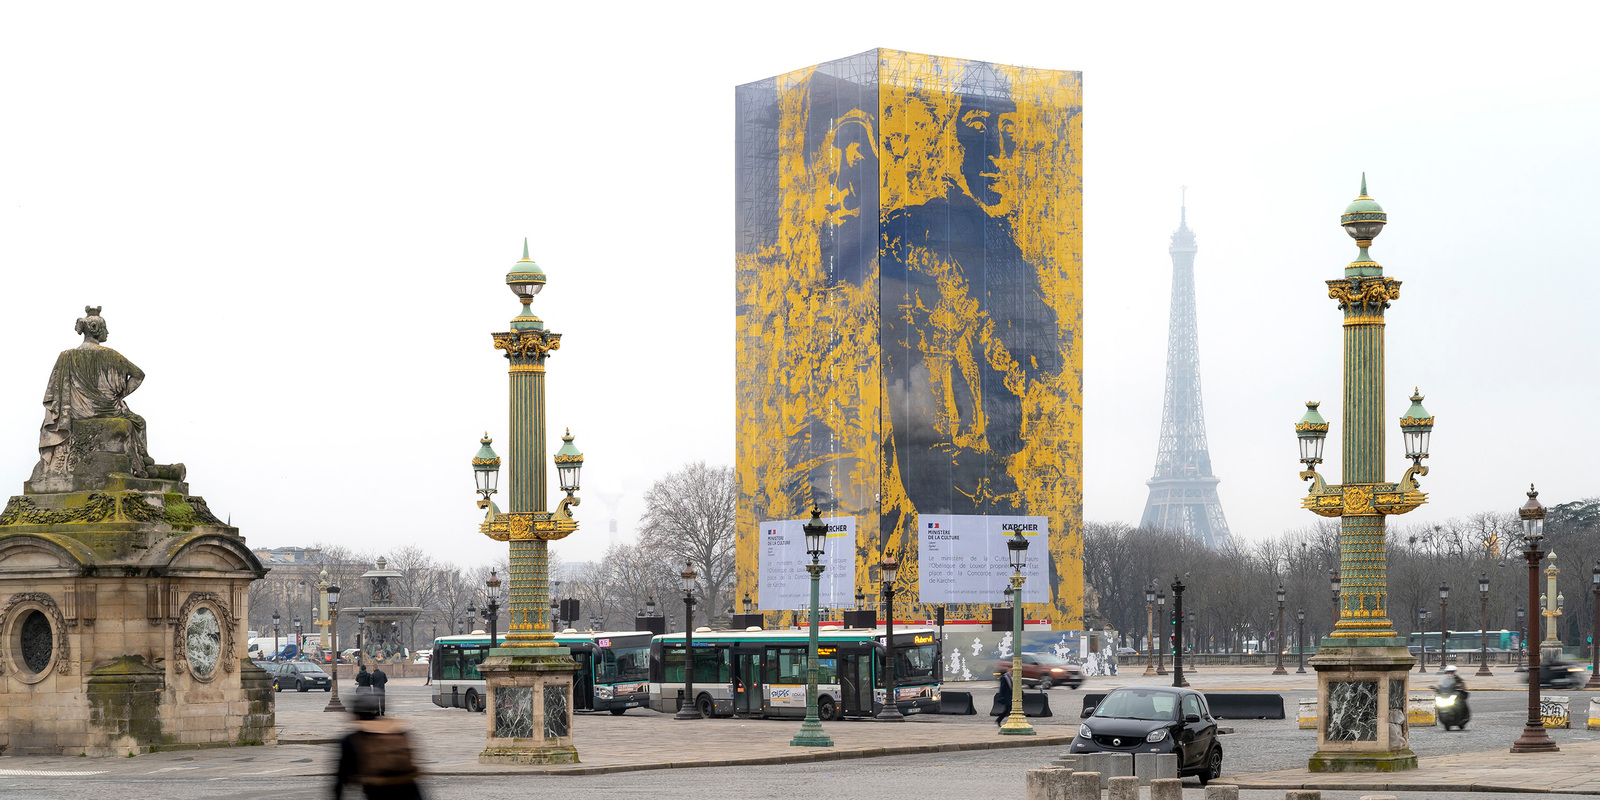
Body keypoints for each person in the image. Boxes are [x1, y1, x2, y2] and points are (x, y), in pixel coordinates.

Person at [334, 691, 421, 800]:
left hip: (378, 794)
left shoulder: (353, 739)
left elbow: (341, 779)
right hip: (411, 794)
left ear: (356, 714)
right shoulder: (399, 732)